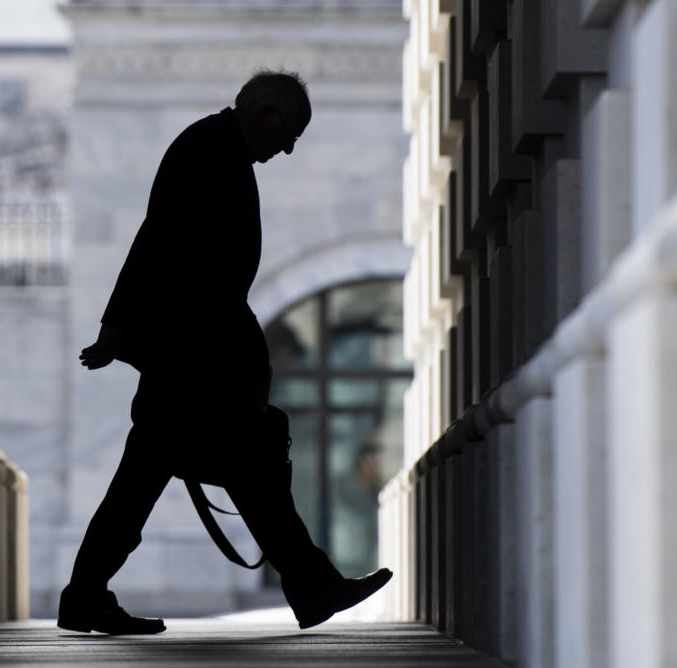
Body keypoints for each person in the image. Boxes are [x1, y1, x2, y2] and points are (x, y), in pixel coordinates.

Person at [57, 70, 392, 635]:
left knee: (208, 473)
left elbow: (173, 251)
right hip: (192, 362)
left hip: (194, 359)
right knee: (221, 470)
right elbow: (158, 240)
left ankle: (311, 585)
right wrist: (116, 329)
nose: (286, 149)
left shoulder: (218, 150)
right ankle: (310, 585)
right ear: (263, 111)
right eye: (288, 133)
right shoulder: (210, 151)